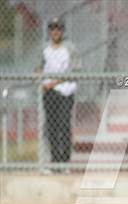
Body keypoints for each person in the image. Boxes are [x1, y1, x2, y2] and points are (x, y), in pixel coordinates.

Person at [38, 17, 80, 172]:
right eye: (52, 28)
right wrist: (41, 79)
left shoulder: (69, 48)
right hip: (49, 92)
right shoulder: (45, 49)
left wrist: (55, 82)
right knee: (51, 128)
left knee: (63, 125)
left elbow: (75, 70)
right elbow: (39, 66)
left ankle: (65, 162)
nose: (55, 32)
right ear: (49, 31)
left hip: (65, 91)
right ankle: (55, 162)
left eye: (58, 28)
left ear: (62, 31)